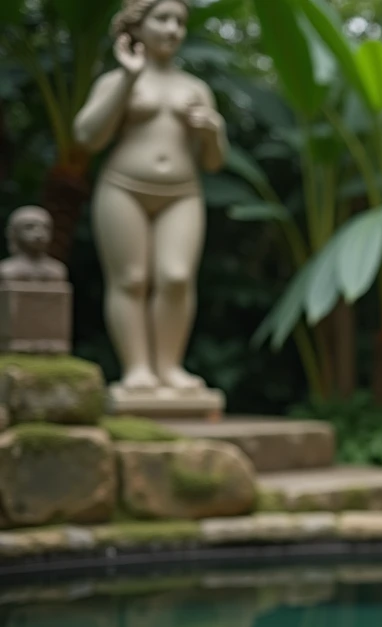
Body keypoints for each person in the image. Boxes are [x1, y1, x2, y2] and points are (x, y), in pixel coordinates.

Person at [73, 0, 226, 392]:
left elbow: (213, 162)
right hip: (123, 187)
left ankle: (170, 367)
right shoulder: (115, 81)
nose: (173, 29)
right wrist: (127, 79)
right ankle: (137, 369)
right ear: (137, 27)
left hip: (182, 192)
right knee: (130, 279)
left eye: (179, 22)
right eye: (162, 19)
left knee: (175, 277)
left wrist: (212, 132)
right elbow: (88, 137)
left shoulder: (195, 88)